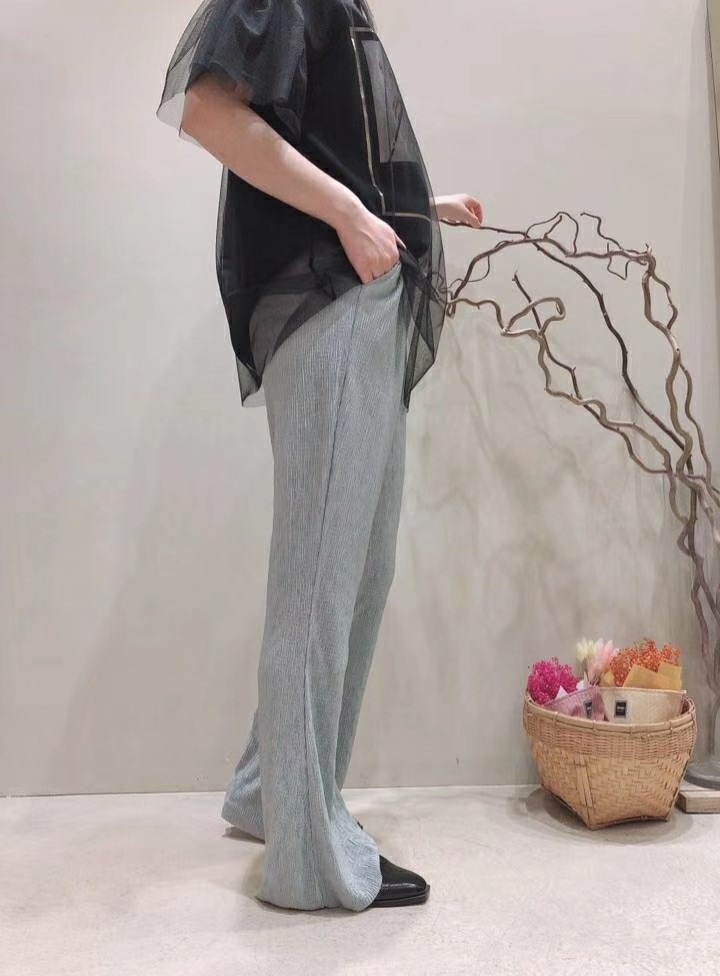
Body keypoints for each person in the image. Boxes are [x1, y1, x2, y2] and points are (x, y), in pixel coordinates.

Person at [156, 0, 483, 912]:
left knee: (356, 571)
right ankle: (308, 860)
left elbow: (323, 138)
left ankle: (272, 792)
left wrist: (415, 207)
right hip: (329, 303)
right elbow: (209, 110)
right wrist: (348, 213)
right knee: (319, 581)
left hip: (354, 299)